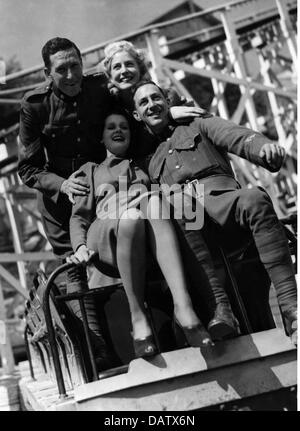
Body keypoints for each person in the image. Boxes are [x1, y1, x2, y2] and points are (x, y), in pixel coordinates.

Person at [132, 80, 297, 346]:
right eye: (144, 102)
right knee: (178, 205)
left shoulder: (198, 123)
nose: (152, 104)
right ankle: (221, 309)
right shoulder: (142, 156)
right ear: (137, 115)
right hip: (188, 227)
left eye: (156, 97)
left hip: (225, 205)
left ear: (167, 101)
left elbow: (237, 135)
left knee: (254, 197)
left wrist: (263, 149)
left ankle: (292, 310)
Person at [102, 40, 239, 340]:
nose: (124, 71)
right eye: (117, 67)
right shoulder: (112, 113)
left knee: (189, 216)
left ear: (141, 68)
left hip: (176, 176)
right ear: (109, 76)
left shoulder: (166, 97)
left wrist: (172, 112)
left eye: (129, 64)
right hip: (141, 185)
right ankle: (183, 317)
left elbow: (198, 133)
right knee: (155, 219)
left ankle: (220, 311)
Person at [67, 109, 214, 358]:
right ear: (101, 137)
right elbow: (78, 217)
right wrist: (79, 248)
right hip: (105, 235)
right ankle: (138, 315)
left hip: (144, 235)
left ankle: (183, 307)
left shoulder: (144, 167)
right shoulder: (89, 171)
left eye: (124, 126)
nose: (118, 130)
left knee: (151, 205)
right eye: (111, 127)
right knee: (133, 214)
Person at [17, 37, 115, 368]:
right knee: (75, 269)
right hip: (59, 202)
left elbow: (137, 100)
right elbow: (28, 169)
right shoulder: (35, 106)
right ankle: (97, 349)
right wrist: (61, 184)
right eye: (62, 69)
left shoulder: (100, 88)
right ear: (48, 72)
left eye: (75, 65)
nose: (71, 75)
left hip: (105, 188)